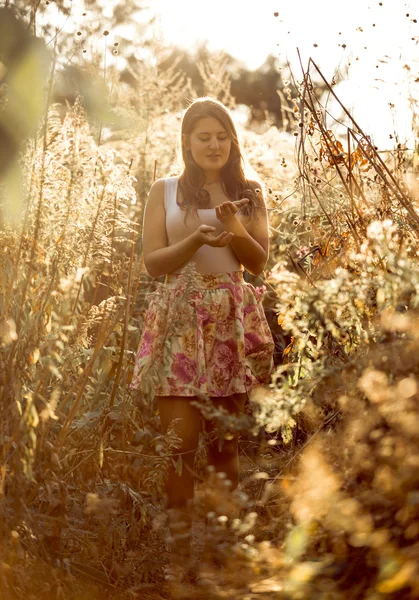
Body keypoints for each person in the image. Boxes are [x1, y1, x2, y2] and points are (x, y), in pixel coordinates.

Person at [130, 97, 275, 582]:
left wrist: (229, 222)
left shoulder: (250, 192)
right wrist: (195, 240)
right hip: (177, 318)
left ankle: (220, 561)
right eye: (203, 137)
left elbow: (257, 264)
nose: (213, 145)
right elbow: (153, 264)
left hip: (229, 320)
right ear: (188, 143)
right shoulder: (164, 190)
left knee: (222, 447)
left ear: (232, 141)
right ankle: (178, 559)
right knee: (180, 445)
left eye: (221, 136)